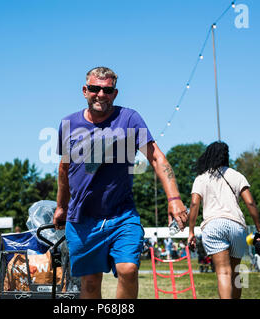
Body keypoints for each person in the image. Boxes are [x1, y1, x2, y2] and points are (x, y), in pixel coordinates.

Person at [53, 66, 187, 299]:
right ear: (85, 90)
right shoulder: (68, 124)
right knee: (91, 283)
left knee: (128, 269)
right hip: (82, 219)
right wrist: (61, 207)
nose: (101, 95)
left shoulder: (129, 119)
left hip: (121, 215)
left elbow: (156, 157)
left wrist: (174, 199)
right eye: (95, 89)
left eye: (107, 90)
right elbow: (64, 170)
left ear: (115, 93)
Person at [187, 141, 260, 299]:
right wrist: (259, 228)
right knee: (235, 272)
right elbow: (250, 203)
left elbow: (194, 204)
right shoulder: (237, 175)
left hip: (213, 225)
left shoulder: (201, 178)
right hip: (236, 226)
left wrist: (191, 231)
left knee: (223, 272)